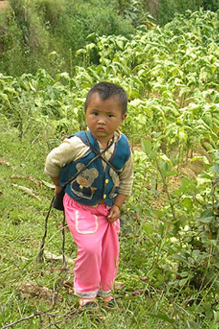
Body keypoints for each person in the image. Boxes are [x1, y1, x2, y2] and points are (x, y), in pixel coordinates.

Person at [44, 82, 134, 309]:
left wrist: (118, 205)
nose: (101, 121)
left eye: (110, 115)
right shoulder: (76, 144)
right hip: (79, 206)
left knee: (109, 250)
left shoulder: (123, 147)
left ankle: (105, 291)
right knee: (90, 247)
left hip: (106, 210)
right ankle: (86, 294)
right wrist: (59, 185)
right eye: (95, 113)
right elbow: (51, 163)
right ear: (86, 113)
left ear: (122, 118)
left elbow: (126, 179)